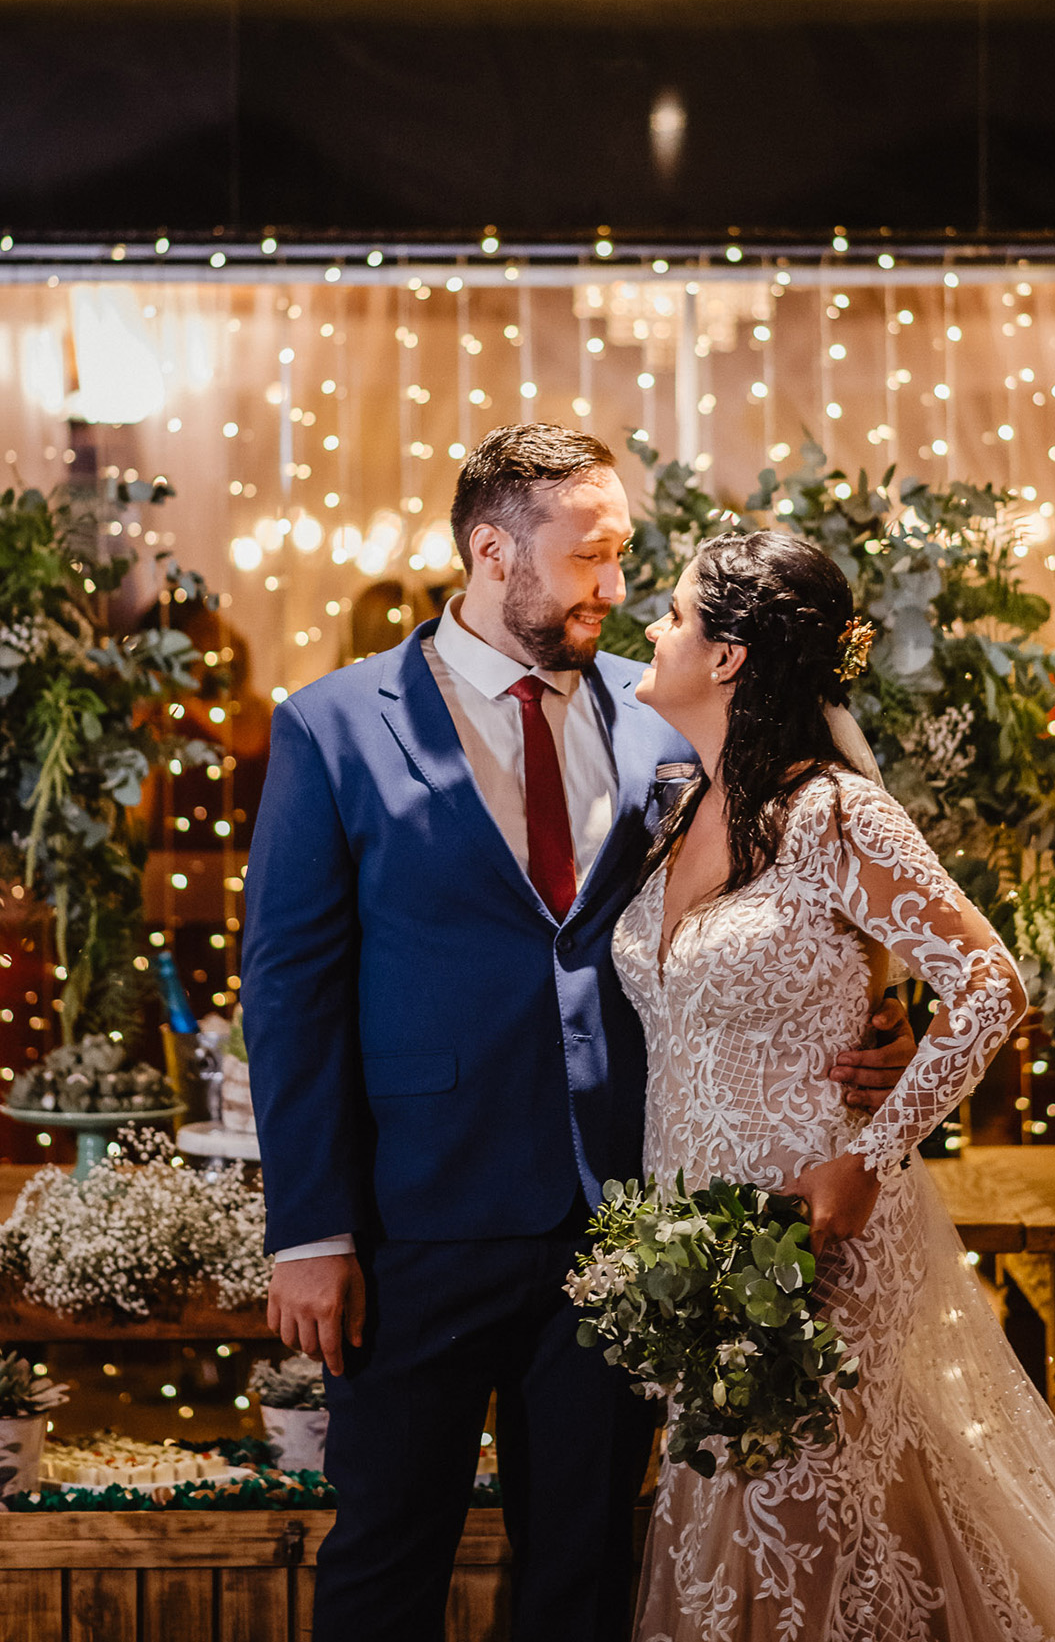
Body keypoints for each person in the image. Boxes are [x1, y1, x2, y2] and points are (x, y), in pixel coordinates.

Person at [241, 425, 915, 1642]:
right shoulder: (331, 726)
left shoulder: (666, 722)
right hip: (411, 1220)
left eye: (619, 555)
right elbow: (288, 988)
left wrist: (873, 1001)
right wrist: (310, 1230)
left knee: (587, 1565)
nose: (612, 585)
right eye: (587, 556)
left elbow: (773, 896)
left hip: (622, 1224)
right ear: (491, 549)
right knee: (385, 1557)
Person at [619, 529, 1055, 1642]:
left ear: (729, 657)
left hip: (817, 1242)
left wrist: (867, 1156)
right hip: (696, 1256)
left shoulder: (835, 813)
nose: (650, 629)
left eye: (674, 612)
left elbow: (990, 982)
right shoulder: (679, 806)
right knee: (741, 1547)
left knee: (808, 1549)